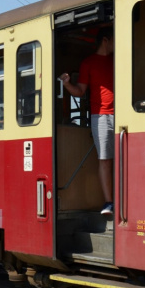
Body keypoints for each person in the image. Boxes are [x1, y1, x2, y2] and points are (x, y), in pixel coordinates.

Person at [59, 26, 114, 215]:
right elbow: (80, 91)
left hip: (123, 114)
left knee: (123, 159)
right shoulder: (88, 63)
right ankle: (109, 202)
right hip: (101, 115)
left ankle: (122, 199)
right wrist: (66, 84)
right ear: (106, 40)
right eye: (114, 39)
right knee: (105, 159)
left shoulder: (118, 60)